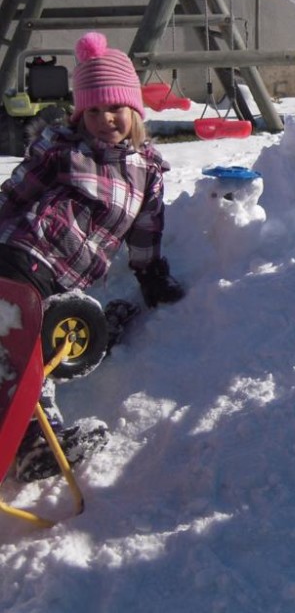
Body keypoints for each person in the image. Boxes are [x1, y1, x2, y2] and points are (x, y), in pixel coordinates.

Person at [0, 31, 185, 482]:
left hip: (64, 281)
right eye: (94, 111)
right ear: (81, 115)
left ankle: (27, 429)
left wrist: (152, 276)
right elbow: (16, 193)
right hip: (23, 254)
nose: (106, 119)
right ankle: (34, 440)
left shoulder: (147, 172)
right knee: (23, 343)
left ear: (135, 111)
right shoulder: (64, 149)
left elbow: (146, 231)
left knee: (29, 340)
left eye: (116, 108)